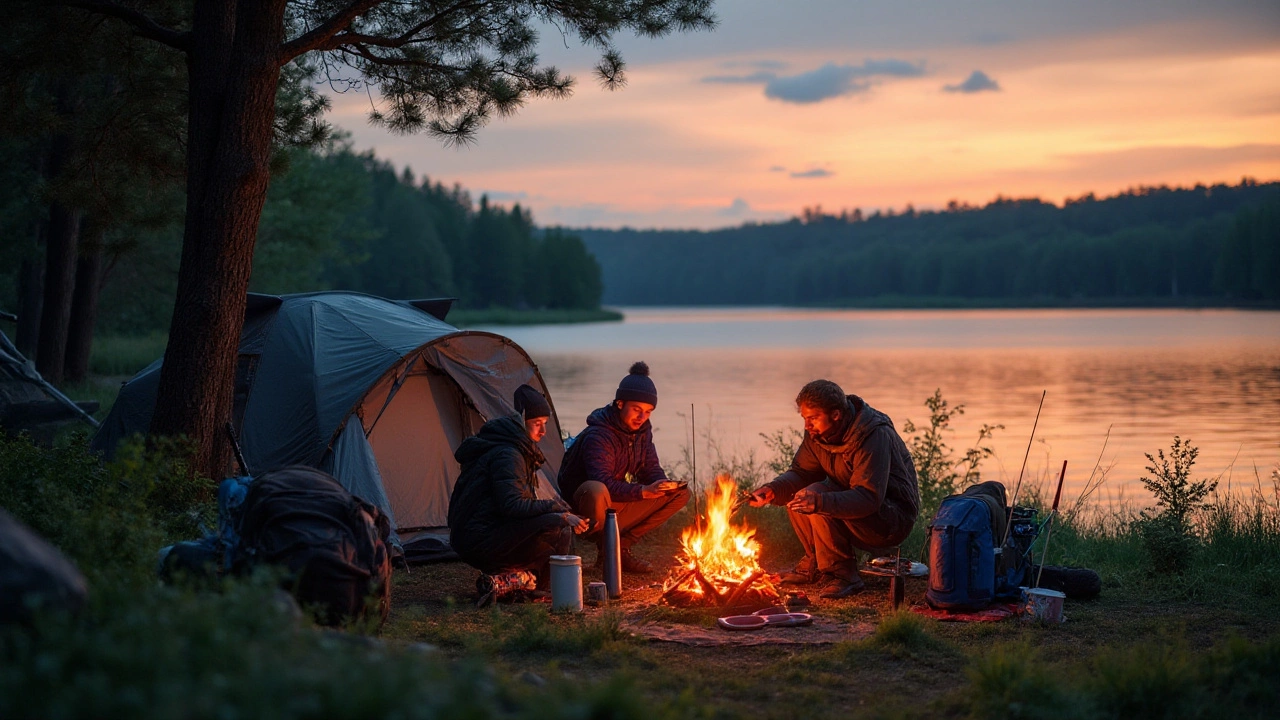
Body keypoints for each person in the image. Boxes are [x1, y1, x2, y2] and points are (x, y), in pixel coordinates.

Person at [749, 379, 920, 599]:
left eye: (813, 418)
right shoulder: (818, 434)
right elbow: (802, 473)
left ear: (836, 415)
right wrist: (773, 489)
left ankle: (844, 575)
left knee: (817, 497)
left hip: (890, 518)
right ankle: (816, 564)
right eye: (804, 419)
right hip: (859, 508)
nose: (807, 426)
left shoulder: (872, 434)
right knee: (799, 496)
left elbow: (869, 496)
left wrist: (820, 502)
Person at [448, 384, 589, 599]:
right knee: (558, 525)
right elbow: (512, 505)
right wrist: (557, 510)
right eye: (536, 424)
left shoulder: (511, 447)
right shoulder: (509, 455)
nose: (542, 431)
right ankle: (548, 588)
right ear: (521, 422)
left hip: (475, 536)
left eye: (545, 424)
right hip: (480, 540)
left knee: (555, 524)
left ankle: (522, 581)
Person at [557, 361, 690, 574]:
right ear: (620, 404)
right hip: (583, 507)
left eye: (648, 411)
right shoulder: (599, 435)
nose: (642, 417)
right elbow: (603, 482)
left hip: (614, 500)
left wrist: (663, 484)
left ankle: (621, 548)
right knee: (596, 488)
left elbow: (650, 467)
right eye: (637, 409)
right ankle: (606, 547)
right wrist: (643, 492)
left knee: (680, 494)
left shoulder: (642, 431)